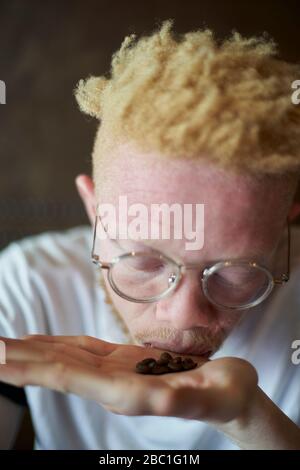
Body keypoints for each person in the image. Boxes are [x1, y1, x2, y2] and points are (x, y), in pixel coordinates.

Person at [0, 19, 300, 450]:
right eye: (144, 261)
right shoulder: (24, 287)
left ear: (283, 227)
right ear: (95, 211)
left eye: (236, 271)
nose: (184, 319)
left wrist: (250, 418)